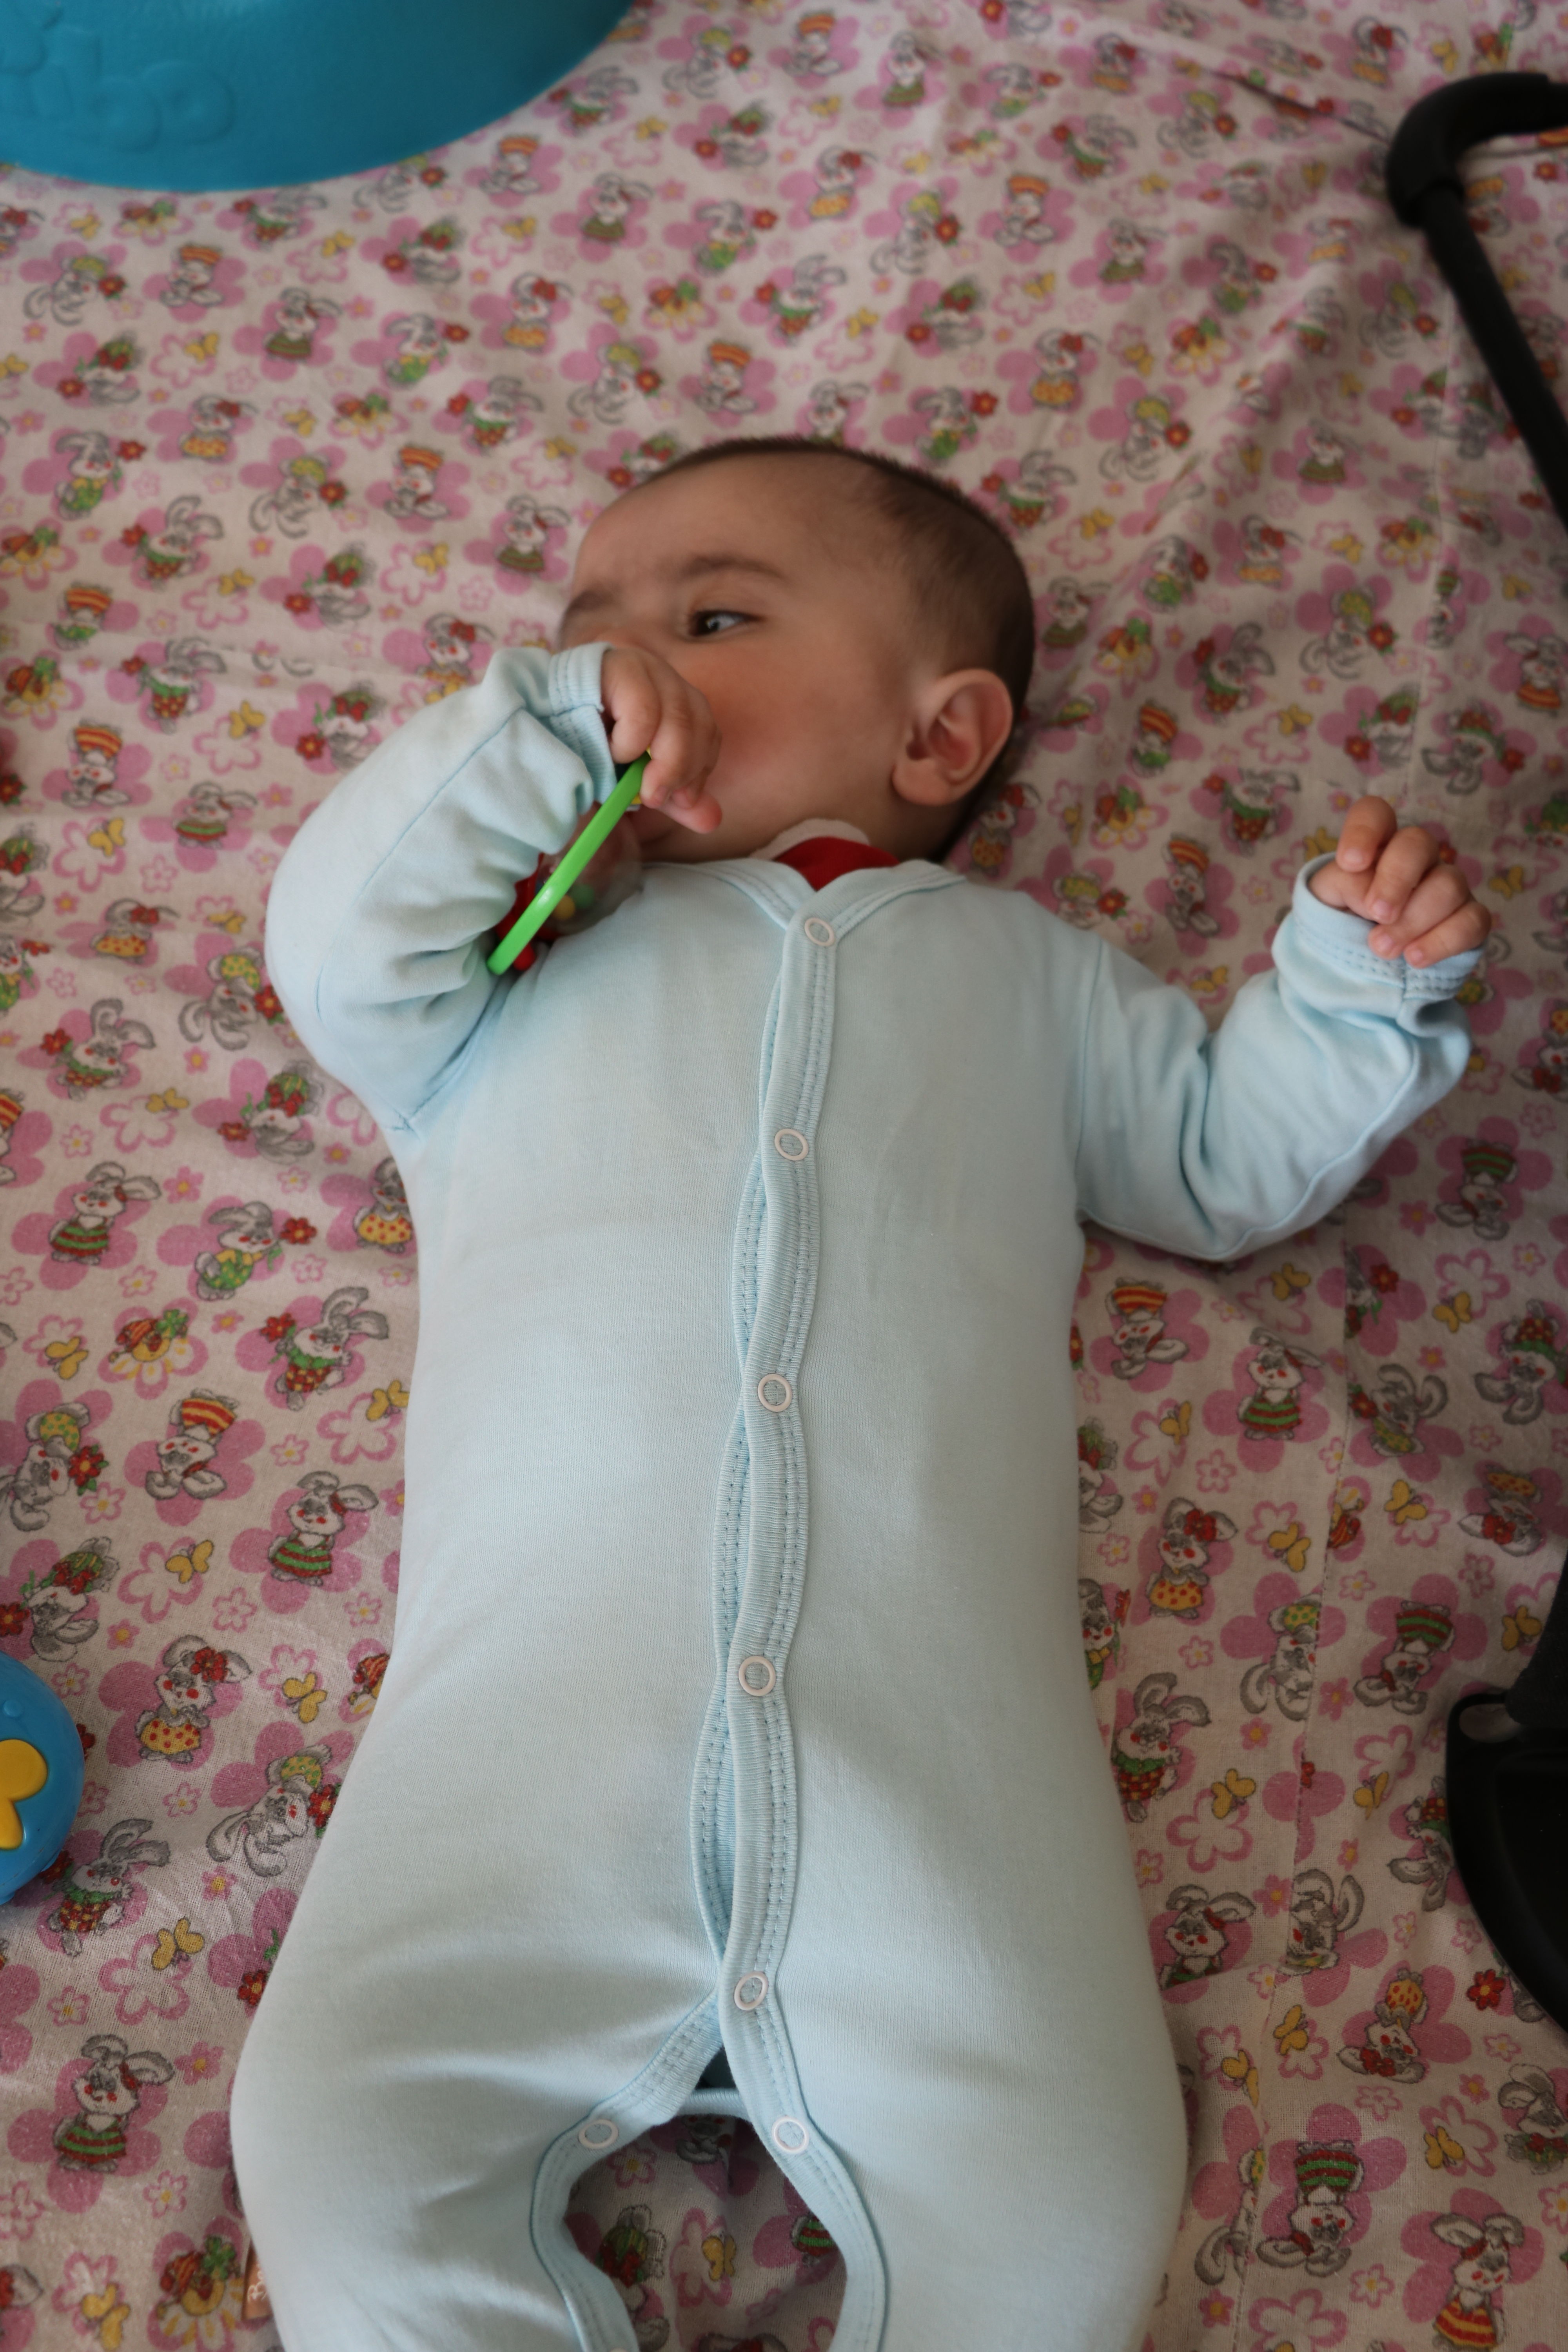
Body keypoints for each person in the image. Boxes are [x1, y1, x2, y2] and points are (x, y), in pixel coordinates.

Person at [234, 438, 1489, 2352]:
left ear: (939, 735)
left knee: (1072, 2192)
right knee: (338, 2139)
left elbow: (1220, 1160)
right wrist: (533, 734)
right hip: (518, 1750)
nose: (625, 668)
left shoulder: (1034, 980)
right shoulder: (502, 970)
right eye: (584, 639)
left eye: (709, 619)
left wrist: (1346, 991)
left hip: (939, 1777)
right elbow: (330, 945)